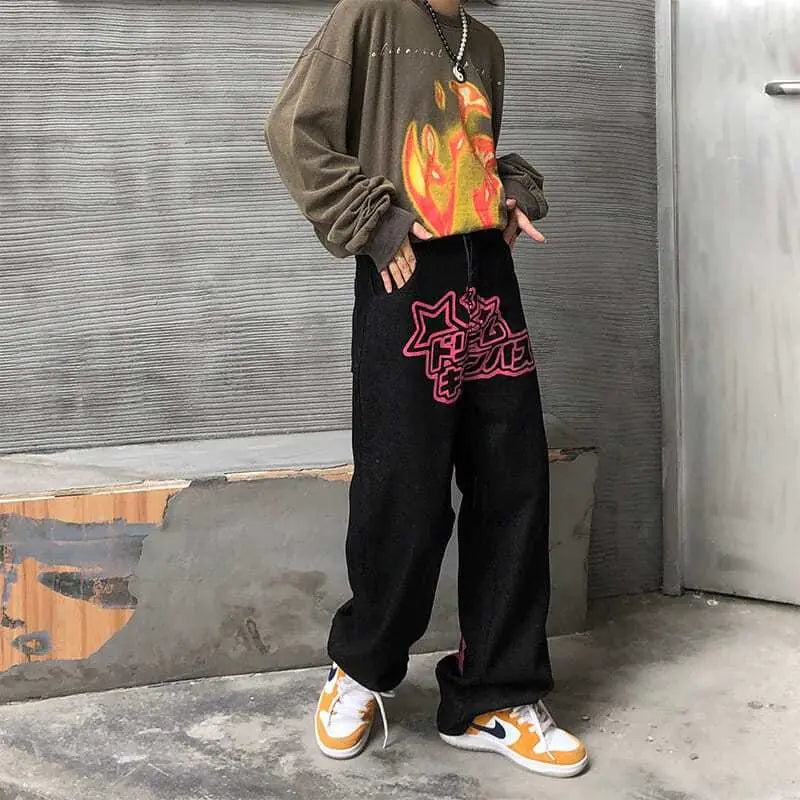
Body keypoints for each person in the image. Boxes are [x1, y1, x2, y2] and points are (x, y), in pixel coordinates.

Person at [265, 0, 588, 778]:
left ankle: (493, 695)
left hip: (489, 278)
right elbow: (294, 130)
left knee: (512, 482)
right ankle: (362, 667)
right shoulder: (370, 15)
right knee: (402, 487)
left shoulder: (488, 44)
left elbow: (466, 155)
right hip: (408, 279)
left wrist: (509, 190)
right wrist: (373, 224)